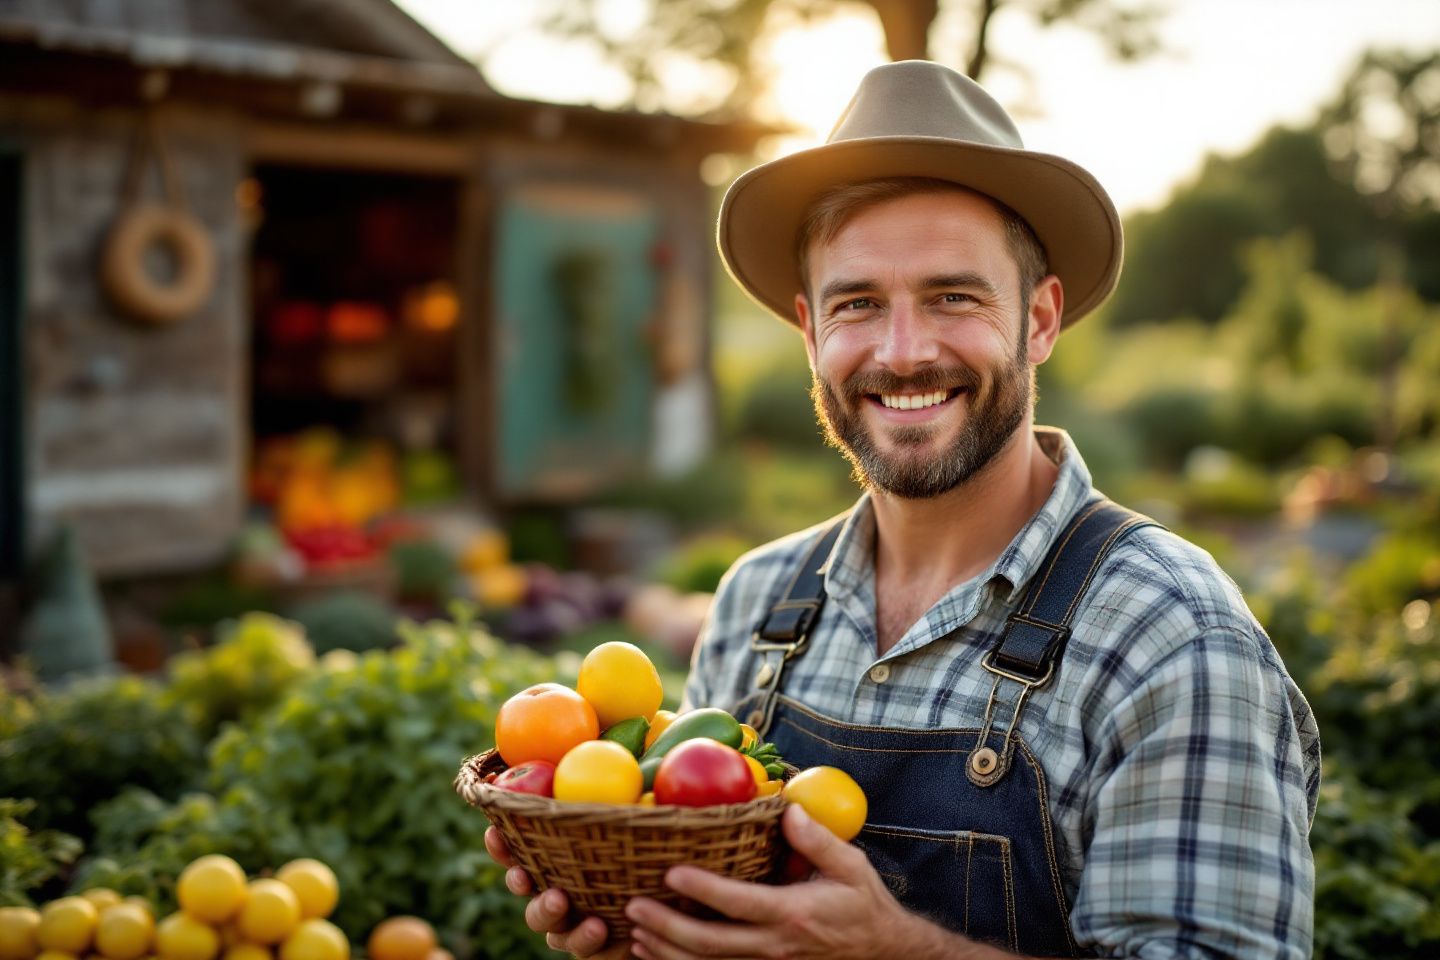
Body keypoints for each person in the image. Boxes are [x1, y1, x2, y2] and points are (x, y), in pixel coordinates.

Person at [485, 60, 1321, 959]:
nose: (904, 351)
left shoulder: (1169, 634)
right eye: (859, 303)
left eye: (952, 296)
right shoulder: (759, 603)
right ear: (811, 333)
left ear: (1039, 320)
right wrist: (651, 927)